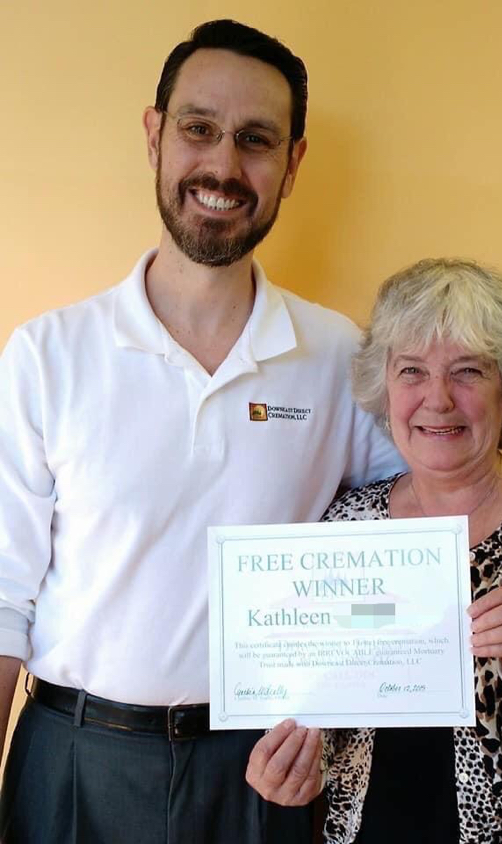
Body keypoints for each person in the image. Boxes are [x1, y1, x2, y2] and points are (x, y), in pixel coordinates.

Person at [0, 20, 404, 844]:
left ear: (293, 164)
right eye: (198, 128)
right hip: (72, 759)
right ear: (154, 135)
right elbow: (3, 597)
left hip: (262, 769)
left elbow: (401, 553)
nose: (222, 166)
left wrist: (329, 722)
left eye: (256, 140)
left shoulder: (341, 357)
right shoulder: (47, 354)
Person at [248, 258, 502, 841]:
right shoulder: (348, 523)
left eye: (468, 371)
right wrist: (301, 764)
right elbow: (331, 712)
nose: (437, 399)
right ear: (384, 390)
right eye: (412, 370)